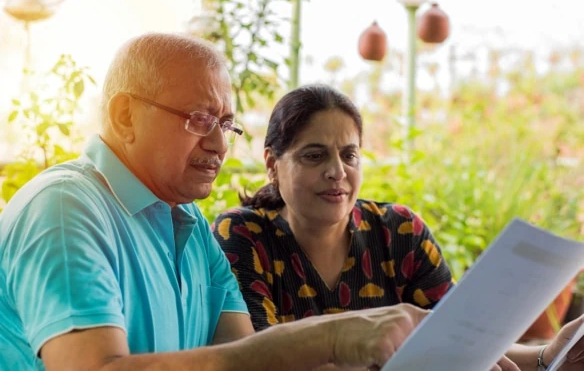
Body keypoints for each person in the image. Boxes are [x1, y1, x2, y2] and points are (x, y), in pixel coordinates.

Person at [0, 33, 432, 371]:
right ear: (124, 117)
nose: (218, 143)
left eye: (225, 124)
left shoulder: (184, 219)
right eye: (199, 119)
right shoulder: (65, 209)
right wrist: (329, 336)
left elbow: (247, 357)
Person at [213, 83, 584, 370]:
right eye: (314, 155)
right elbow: (260, 359)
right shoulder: (245, 236)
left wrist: (549, 354)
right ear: (272, 164)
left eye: (349, 155)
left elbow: (462, 339)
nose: (337, 172)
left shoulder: (398, 232)